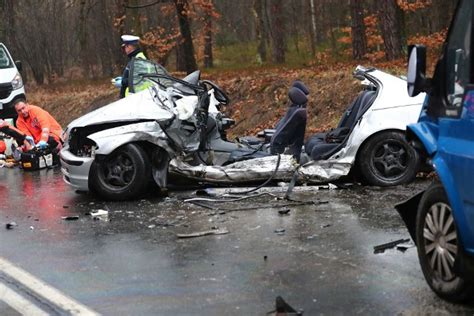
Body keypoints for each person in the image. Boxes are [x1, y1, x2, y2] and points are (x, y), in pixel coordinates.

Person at [119, 34, 147, 98]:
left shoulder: (138, 60)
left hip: (135, 98)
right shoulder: (134, 59)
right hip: (132, 98)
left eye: (125, 47)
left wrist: (122, 81)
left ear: (130, 47)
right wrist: (123, 79)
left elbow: (138, 80)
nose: (124, 49)